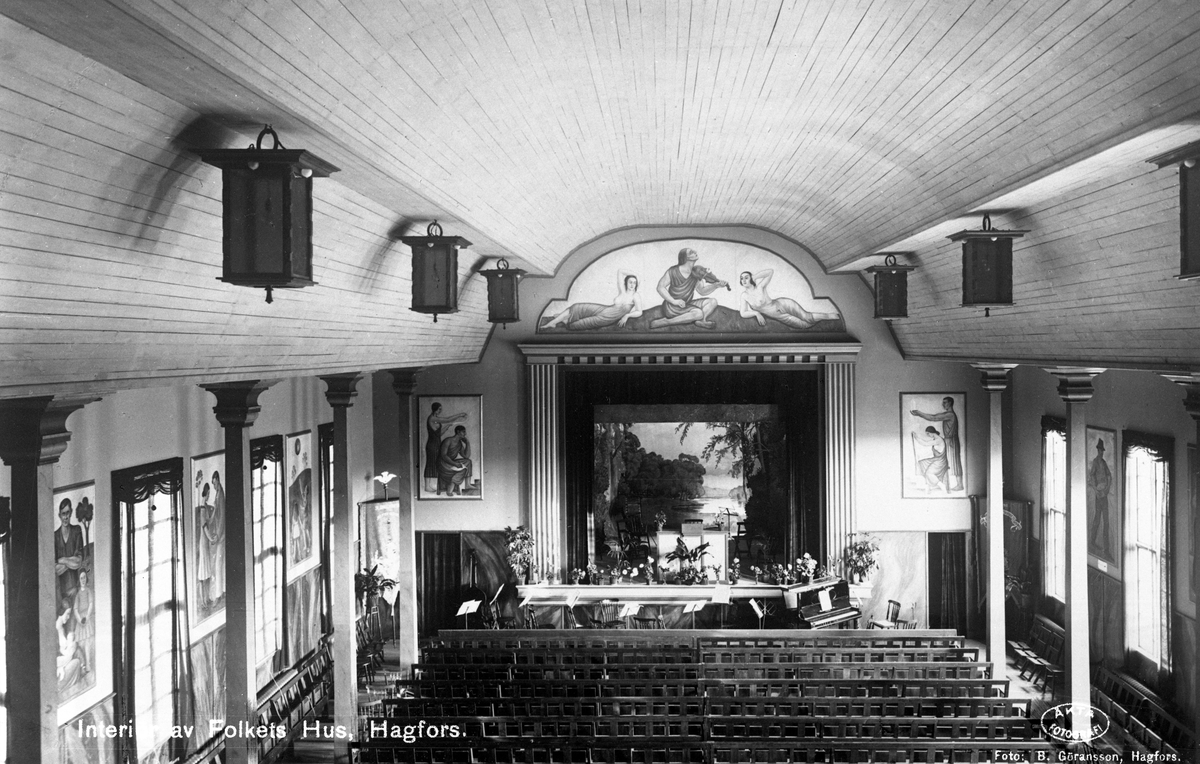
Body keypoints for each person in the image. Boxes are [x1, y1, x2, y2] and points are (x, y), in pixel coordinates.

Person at [648, 248, 728, 329]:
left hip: (686, 304)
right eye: (691, 252)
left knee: (713, 301)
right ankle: (667, 322)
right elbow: (660, 287)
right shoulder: (673, 271)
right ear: (685, 258)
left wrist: (715, 285)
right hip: (672, 306)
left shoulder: (696, 272)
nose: (695, 252)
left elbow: (702, 291)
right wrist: (674, 301)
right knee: (698, 313)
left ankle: (701, 321)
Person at [542, 270, 644, 330]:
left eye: (634, 282)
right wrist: (635, 275)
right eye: (630, 282)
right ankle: (552, 323)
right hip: (603, 309)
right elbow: (620, 271)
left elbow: (639, 311)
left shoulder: (635, 296)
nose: (632, 284)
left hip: (607, 318)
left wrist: (627, 315)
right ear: (626, 283)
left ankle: (563, 319)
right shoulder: (622, 291)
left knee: (575, 325)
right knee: (577, 307)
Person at [738, 269, 839, 329]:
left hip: (783, 304)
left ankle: (834, 317)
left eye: (746, 277)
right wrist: (756, 313)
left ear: (751, 278)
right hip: (779, 316)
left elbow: (770, 272)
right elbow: (743, 313)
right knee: (804, 325)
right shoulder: (744, 296)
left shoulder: (760, 287)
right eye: (741, 278)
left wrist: (755, 276)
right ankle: (826, 319)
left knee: (807, 317)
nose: (743, 280)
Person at [910, 397, 963, 491]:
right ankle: (942, 483)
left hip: (951, 441)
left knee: (954, 462)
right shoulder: (948, 414)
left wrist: (919, 413)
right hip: (948, 440)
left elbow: (933, 418)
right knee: (947, 463)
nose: (943, 404)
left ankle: (959, 484)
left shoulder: (950, 415)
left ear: (950, 403)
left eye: (945, 403)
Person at [424, 402, 468, 492]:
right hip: (432, 444)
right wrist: (460, 415)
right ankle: (427, 486)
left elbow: (439, 434)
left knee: (436, 463)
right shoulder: (432, 418)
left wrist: (447, 426)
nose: (441, 411)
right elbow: (447, 419)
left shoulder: (434, 418)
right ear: (435, 409)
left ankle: (433, 485)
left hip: (437, 443)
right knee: (430, 463)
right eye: (439, 409)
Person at [55, 498, 84, 611]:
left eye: (67, 513)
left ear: (71, 512)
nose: (66, 517)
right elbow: (55, 569)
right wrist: (71, 561)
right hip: (61, 593)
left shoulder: (77, 531)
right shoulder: (55, 536)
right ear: (59, 515)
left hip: (76, 588)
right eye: (63, 514)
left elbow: (78, 562)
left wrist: (61, 560)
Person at [1088, 438, 1112, 556]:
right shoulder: (1095, 462)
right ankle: (1092, 542)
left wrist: (1106, 489)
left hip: (1104, 494)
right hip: (1099, 495)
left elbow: (1109, 476)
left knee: (1106, 522)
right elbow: (1091, 477)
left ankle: (1106, 549)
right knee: (1097, 519)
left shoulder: (1104, 463)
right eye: (1100, 450)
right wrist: (1096, 490)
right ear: (1097, 450)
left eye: (1102, 451)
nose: (1101, 452)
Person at [436, 425, 473, 495]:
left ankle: (467, 484)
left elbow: (466, 456)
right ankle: (450, 488)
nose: (465, 434)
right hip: (442, 463)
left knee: (468, 462)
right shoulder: (448, 440)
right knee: (462, 469)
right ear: (458, 432)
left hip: (451, 463)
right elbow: (444, 455)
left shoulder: (459, 443)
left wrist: (467, 443)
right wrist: (455, 464)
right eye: (463, 432)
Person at [207, 471, 226, 607]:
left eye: (214, 483)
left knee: (218, 566)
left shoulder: (221, 495)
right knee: (219, 564)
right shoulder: (218, 493)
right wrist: (209, 520)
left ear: (218, 480)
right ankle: (222, 591)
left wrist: (218, 535)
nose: (214, 486)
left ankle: (219, 595)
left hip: (222, 536)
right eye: (212, 484)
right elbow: (215, 514)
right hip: (219, 534)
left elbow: (222, 517)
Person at [196, 483, 214, 609]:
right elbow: (205, 527)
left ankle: (207, 598)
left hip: (206, 543)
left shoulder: (206, 507)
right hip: (203, 543)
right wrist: (210, 538)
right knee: (203, 574)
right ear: (205, 493)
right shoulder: (202, 508)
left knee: (207, 572)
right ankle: (203, 601)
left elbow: (209, 521)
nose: (209, 496)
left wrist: (215, 510)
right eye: (208, 494)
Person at [914, 426, 949, 492]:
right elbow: (926, 441)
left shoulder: (938, 440)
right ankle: (927, 485)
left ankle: (941, 485)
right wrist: (917, 437)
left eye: (928, 434)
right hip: (936, 459)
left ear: (931, 433)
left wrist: (916, 438)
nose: (928, 435)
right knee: (921, 463)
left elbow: (925, 443)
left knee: (929, 473)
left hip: (940, 461)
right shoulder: (935, 439)